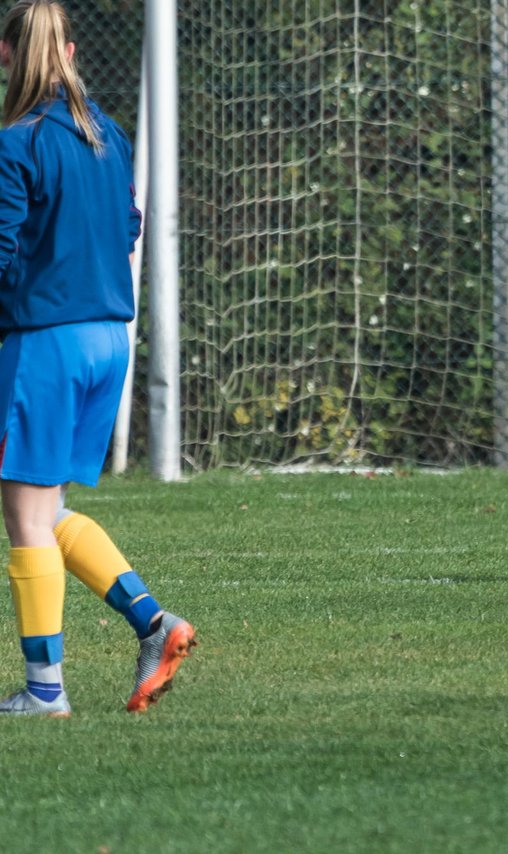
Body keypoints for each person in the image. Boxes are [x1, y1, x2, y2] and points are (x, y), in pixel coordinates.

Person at [0, 0, 194, 716]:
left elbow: (1, 250)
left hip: (46, 343)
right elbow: (130, 227)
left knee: (22, 514)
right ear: (74, 54)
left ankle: (45, 689)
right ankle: (155, 623)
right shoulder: (108, 133)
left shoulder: (15, 141)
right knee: (45, 510)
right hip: (109, 337)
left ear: (5, 57)